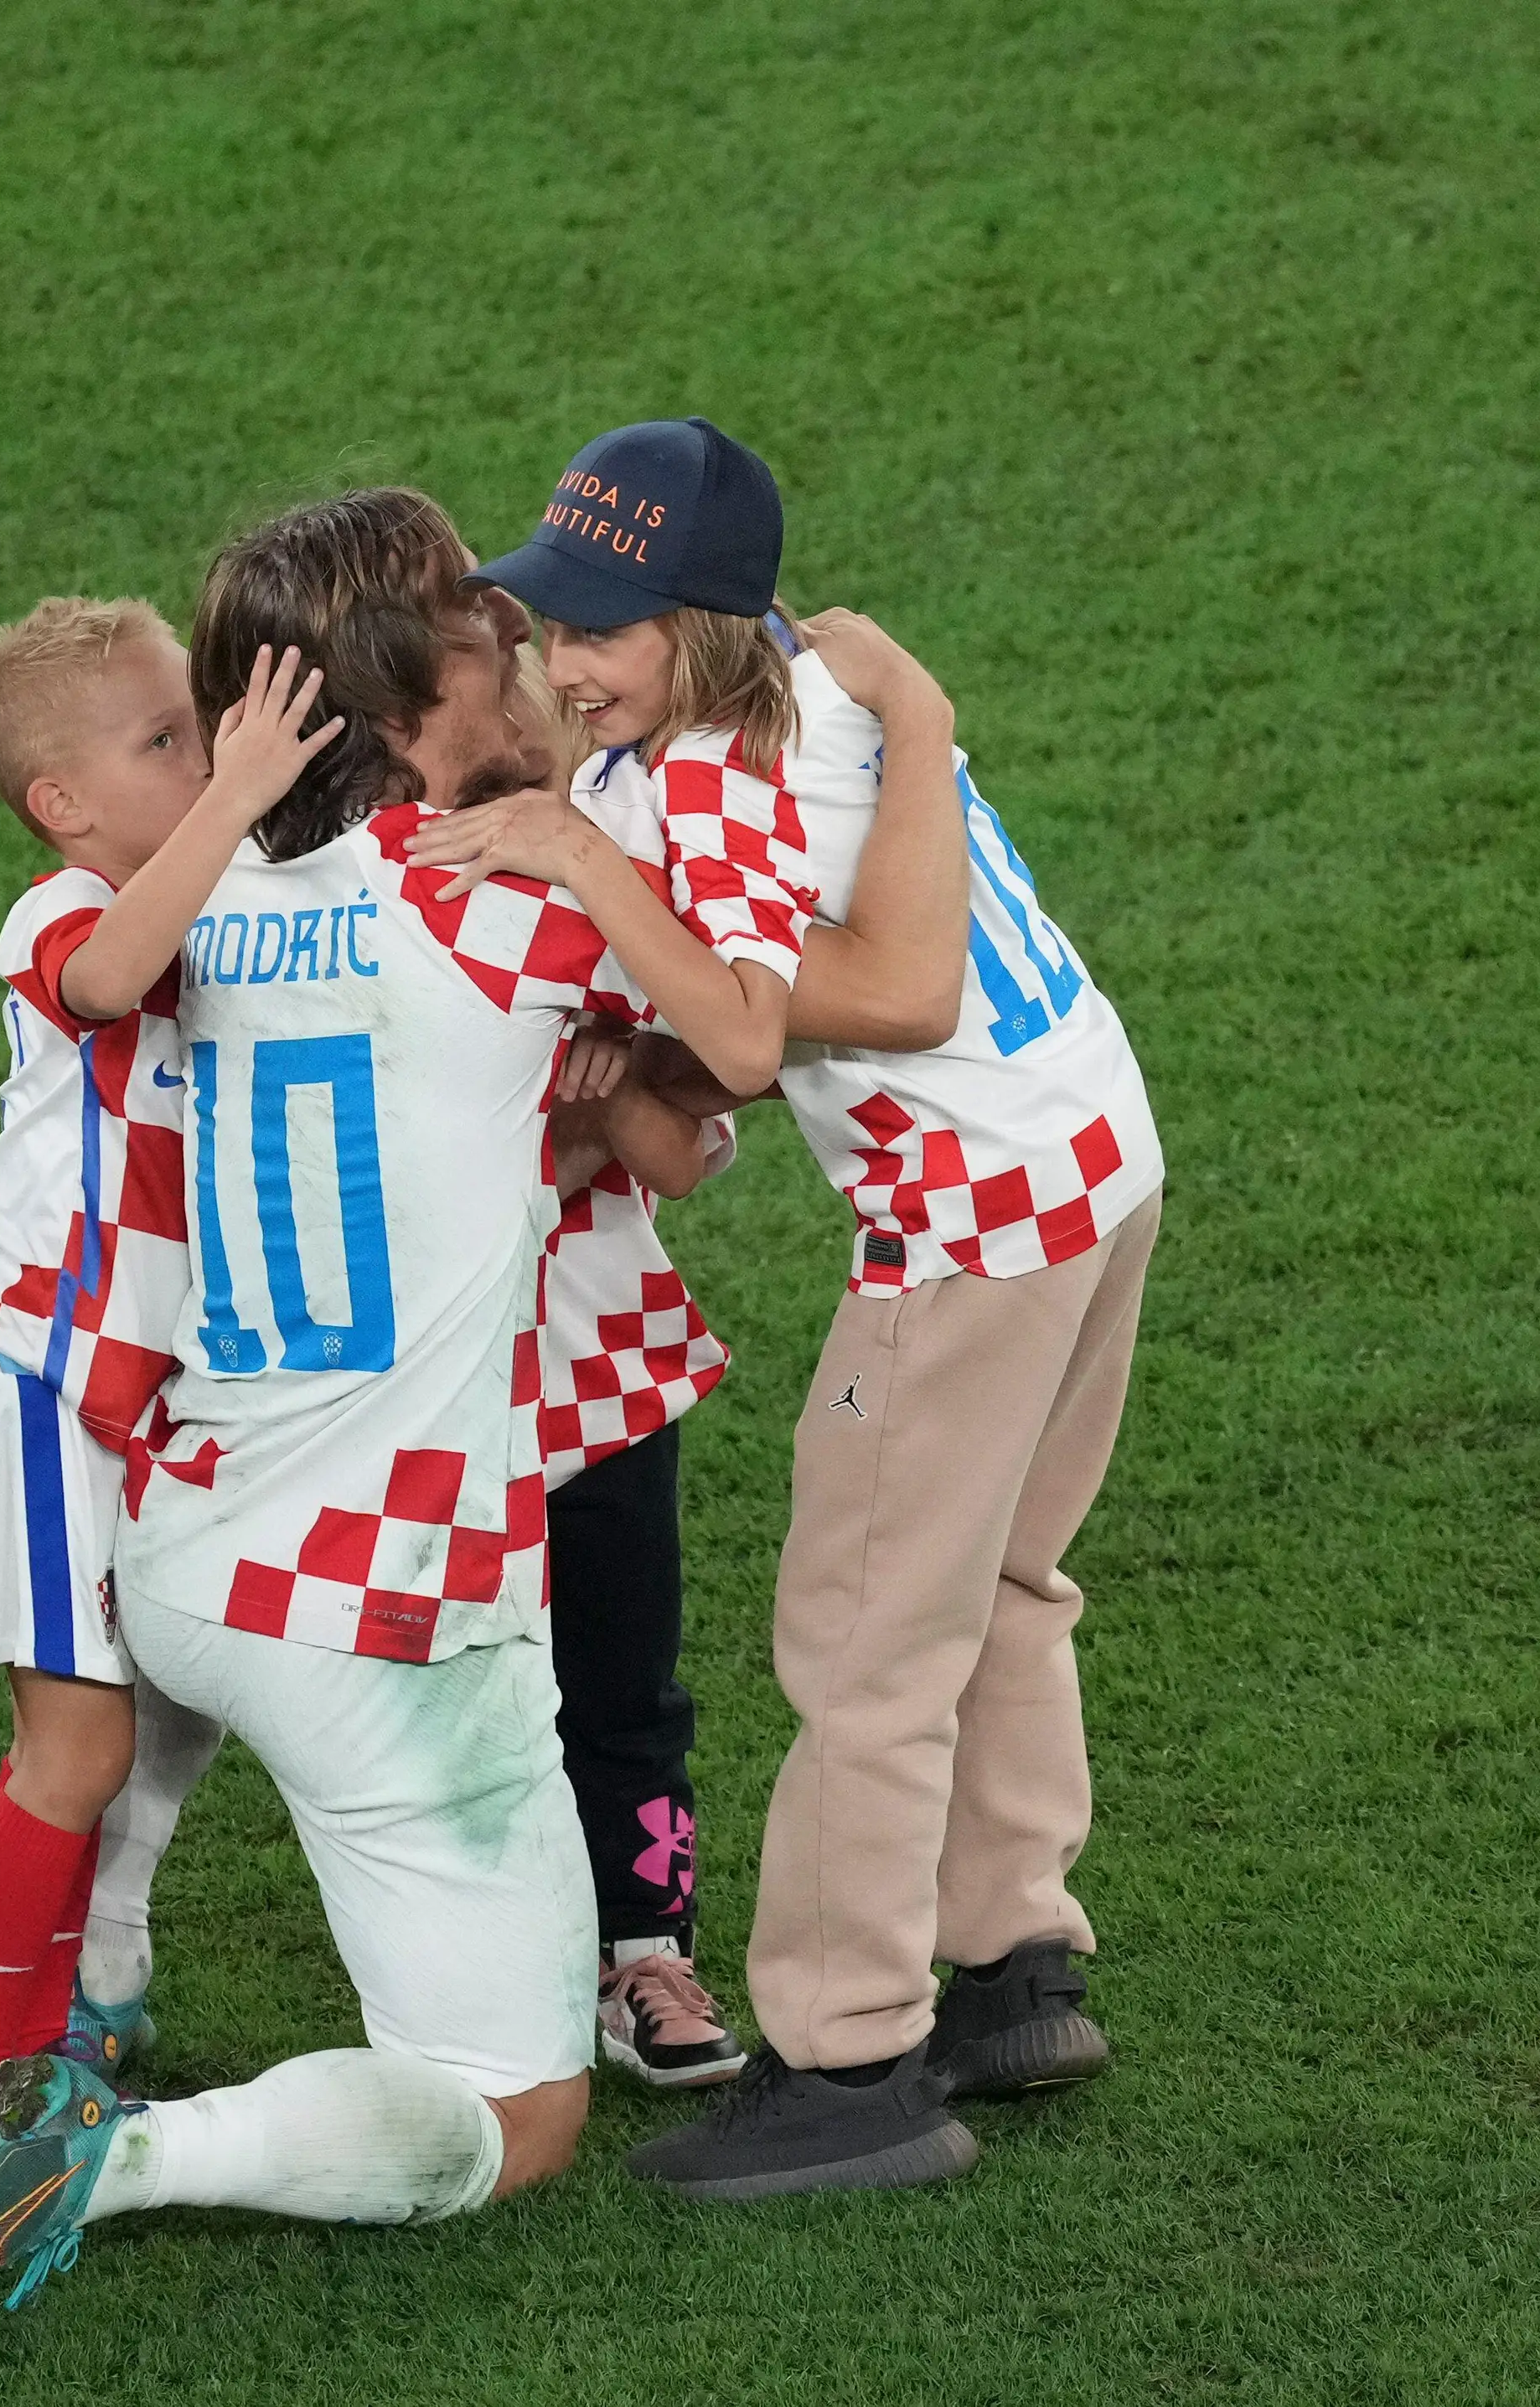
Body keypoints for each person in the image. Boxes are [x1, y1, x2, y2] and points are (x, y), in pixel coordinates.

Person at [0, 490, 697, 2352]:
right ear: (408, 696)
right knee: (520, 2106)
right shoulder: (503, 918)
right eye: (475, 618)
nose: (511, 626)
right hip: (386, 1617)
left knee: (91, 1753)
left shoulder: (195, 899)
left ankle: (81, 1990)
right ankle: (119, 2150)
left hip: (187, 1543)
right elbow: (726, 1066)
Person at [431, 415, 1165, 2198]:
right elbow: (770, 1016)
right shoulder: (813, 708)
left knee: (862, 1641)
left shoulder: (685, 791)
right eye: (551, 622)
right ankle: (1011, 1959)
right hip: (1099, 1158)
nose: (563, 661)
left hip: (973, 1226)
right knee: (1001, 1579)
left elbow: (807, 1018)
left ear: (707, 624)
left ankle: (853, 2060)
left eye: (603, 629)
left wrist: (596, 880)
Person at [0, 604, 339, 2182]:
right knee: (71, 1751)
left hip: (131, 1401)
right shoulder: (60, 910)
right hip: (38, 1389)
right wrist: (236, 802)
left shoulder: (214, 892)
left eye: (200, 729)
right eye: (166, 742)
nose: (210, 757)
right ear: (59, 805)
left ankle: (45, 2031)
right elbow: (109, 977)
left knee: (138, 1718)